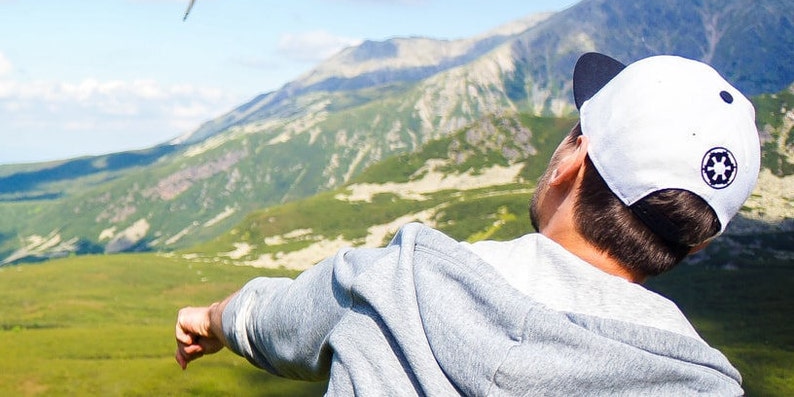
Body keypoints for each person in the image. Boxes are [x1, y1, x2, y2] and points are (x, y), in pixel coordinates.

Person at [175, 52, 760, 395]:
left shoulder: (398, 282)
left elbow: (277, 320)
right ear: (697, 240)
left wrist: (211, 320)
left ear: (573, 161)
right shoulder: (706, 385)